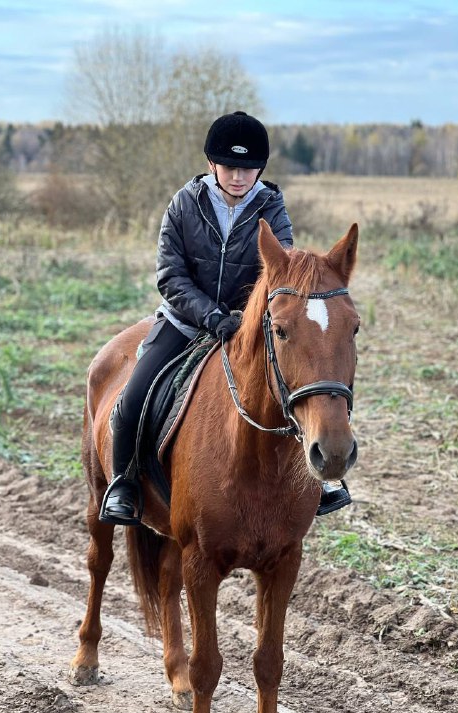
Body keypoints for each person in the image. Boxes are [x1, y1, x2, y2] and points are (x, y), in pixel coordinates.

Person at [99, 111, 351, 525]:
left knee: (300, 382)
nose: (238, 176)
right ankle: (125, 484)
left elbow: (279, 272)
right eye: (231, 167)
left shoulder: (272, 207)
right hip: (184, 322)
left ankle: (321, 481)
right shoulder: (184, 204)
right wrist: (211, 315)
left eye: (248, 168)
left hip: (245, 327)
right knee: (132, 401)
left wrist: (241, 318)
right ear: (212, 164)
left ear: (259, 170)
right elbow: (170, 275)